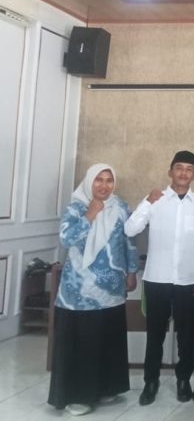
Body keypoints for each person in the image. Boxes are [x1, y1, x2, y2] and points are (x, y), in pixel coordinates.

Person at [48, 164, 139, 417]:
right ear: (89, 182)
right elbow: (66, 239)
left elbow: (129, 242)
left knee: (107, 340)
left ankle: (107, 387)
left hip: (111, 290)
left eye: (109, 180)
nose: (104, 185)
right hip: (79, 292)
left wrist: (132, 271)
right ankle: (78, 396)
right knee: (83, 343)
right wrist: (90, 214)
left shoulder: (120, 207)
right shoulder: (76, 208)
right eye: (99, 180)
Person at [123, 150, 194, 405]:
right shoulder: (155, 199)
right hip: (157, 278)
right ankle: (151, 382)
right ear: (170, 171)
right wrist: (147, 202)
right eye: (179, 168)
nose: (183, 173)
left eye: (189, 169)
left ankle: (184, 380)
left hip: (188, 278)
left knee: (186, 334)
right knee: (155, 334)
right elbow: (130, 229)